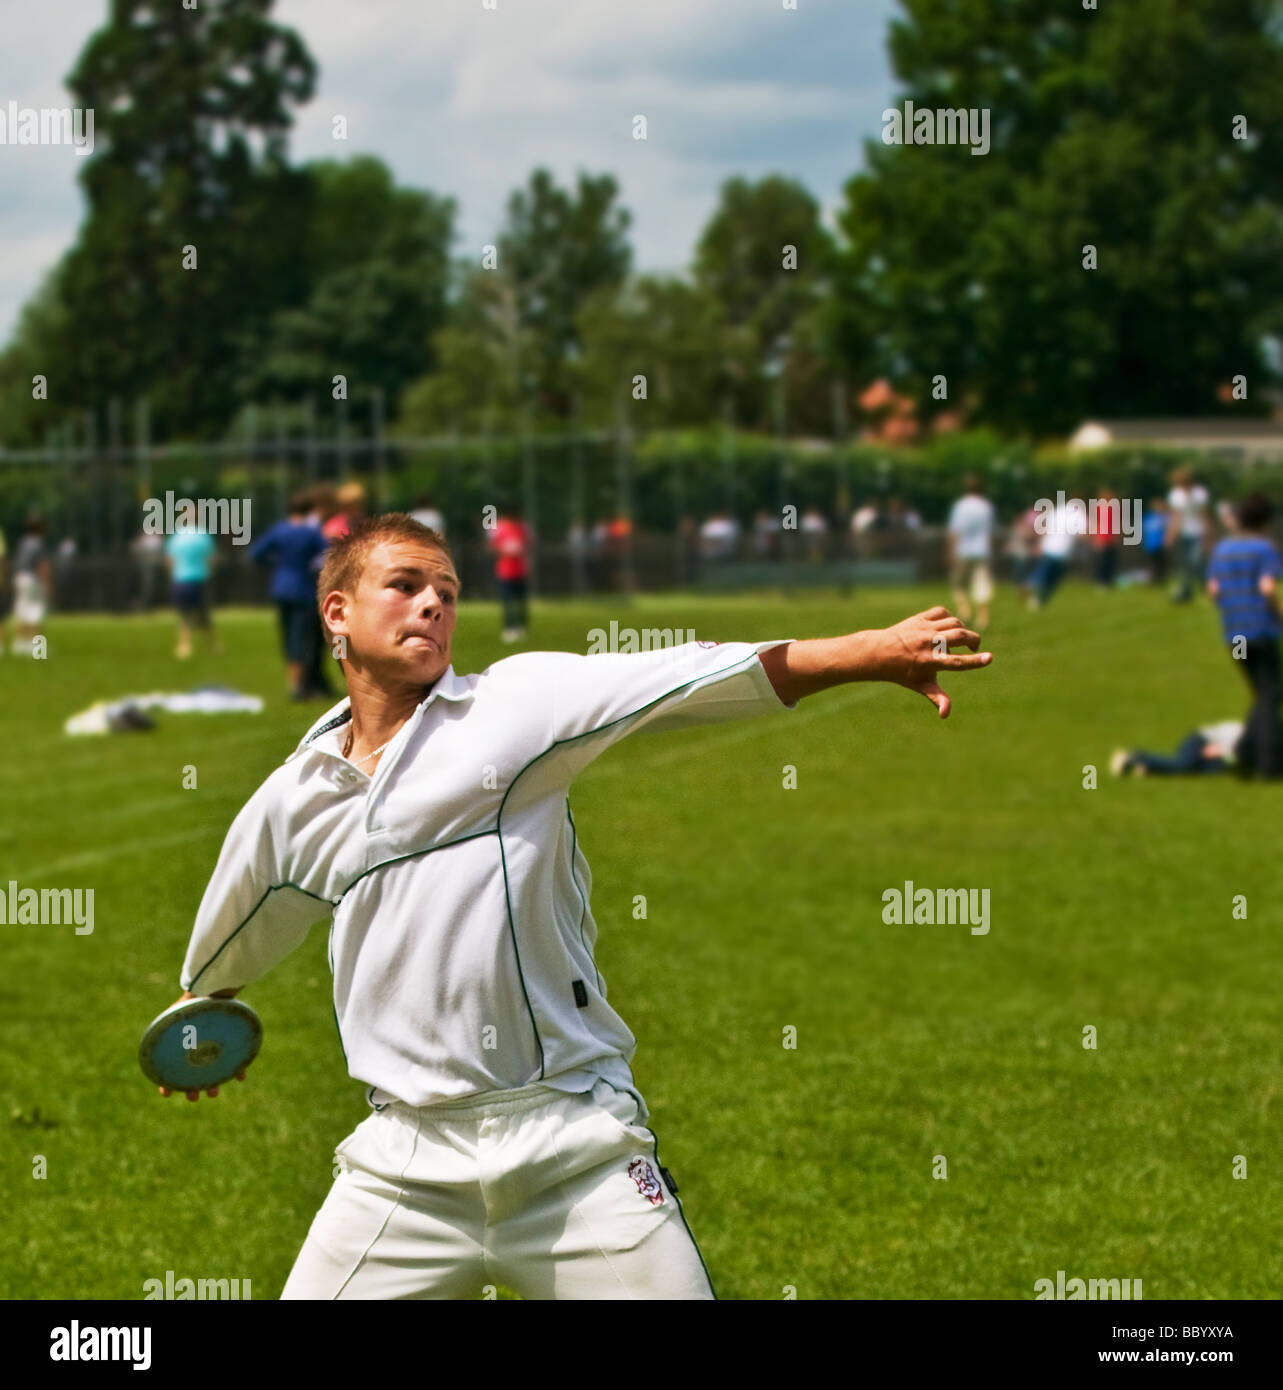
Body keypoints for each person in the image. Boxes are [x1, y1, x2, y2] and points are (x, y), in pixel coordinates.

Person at [162, 511, 992, 1299]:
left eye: (447, 593)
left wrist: (868, 652)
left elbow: (693, 675)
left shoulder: (512, 709)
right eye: (406, 585)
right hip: (402, 1169)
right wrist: (200, 1027)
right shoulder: (294, 798)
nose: (433, 605)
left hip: (572, 1149)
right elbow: (240, 930)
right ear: (336, 612)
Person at [1205, 490, 1283, 780]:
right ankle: (1268, 764)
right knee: (1270, 693)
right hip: (1260, 630)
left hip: (1235, 635)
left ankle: (1245, 754)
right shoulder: (1264, 549)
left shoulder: (1222, 549)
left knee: (1261, 693)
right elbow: (1267, 588)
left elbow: (1213, 591)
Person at [251, 491, 330, 700]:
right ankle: (298, 685)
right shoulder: (310, 533)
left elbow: (256, 553)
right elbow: (327, 554)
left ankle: (293, 680)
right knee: (301, 637)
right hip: (302, 588)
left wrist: (277, 563)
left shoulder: (279, 530)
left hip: (280, 586)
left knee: (287, 636)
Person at [164, 518, 219, 660]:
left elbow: (170, 560)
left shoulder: (177, 536)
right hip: (200, 578)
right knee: (204, 614)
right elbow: (211, 558)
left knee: (184, 614)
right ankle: (212, 644)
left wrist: (173, 575)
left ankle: (185, 645)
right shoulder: (204, 535)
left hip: (181, 578)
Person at [946, 474, 995, 629]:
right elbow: (989, 531)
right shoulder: (986, 506)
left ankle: (965, 610)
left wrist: (951, 551)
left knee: (959, 583)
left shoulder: (961, 506)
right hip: (982, 549)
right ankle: (983, 618)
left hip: (964, 549)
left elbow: (955, 530)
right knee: (982, 583)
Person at [1111, 721, 1244, 778]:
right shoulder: (1238, 731)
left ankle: (1146, 768)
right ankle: (1134, 757)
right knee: (1183, 765)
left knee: (1211, 772)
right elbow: (1214, 749)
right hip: (1199, 742)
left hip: (1214, 751)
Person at [1027, 494, 1082, 610]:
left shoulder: (1057, 511)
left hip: (1049, 547)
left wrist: (1039, 545)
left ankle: (1033, 586)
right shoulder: (1079, 514)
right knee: (1053, 579)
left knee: (1045, 572)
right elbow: (1083, 532)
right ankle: (1037, 596)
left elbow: (1045, 529)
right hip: (1064, 550)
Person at [1166, 466, 1210, 603]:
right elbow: (1175, 516)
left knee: (1195, 561)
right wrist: (1170, 534)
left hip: (1198, 532)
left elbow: (1205, 514)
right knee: (1184, 564)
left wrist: (1208, 535)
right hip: (1183, 533)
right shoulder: (1175, 494)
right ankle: (1185, 591)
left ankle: (1207, 587)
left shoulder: (1200, 493)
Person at [489, 509, 532, 642]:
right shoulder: (500, 528)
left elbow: (529, 544)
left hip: (520, 570)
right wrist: (505, 551)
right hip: (506, 571)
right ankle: (509, 627)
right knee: (507, 601)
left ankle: (521, 627)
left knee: (521, 601)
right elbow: (492, 546)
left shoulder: (523, 528)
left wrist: (522, 551)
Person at [11, 512, 52, 656]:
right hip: (33, 579)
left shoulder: (23, 542)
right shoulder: (39, 543)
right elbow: (42, 565)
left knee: (22, 611)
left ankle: (21, 646)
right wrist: (47, 584)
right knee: (35, 612)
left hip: (20, 577)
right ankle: (37, 649)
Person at [1092, 487, 1121, 588]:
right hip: (1102, 539)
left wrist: (1117, 537)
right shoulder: (1099, 509)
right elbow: (1096, 524)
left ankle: (1108, 581)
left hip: (1111, 539)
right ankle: (1101, 581)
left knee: (1111, 561)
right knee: (1102, 562)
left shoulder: (1114, 509)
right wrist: (1096, 539)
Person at [1142, 498, 1169, 586]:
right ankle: (1152, 579)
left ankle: (1161, 579)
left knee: (1161, 563)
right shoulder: (1148, 518)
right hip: (1150, 545)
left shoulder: (1164, 518)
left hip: (1160, 545)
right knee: (1151, 563)